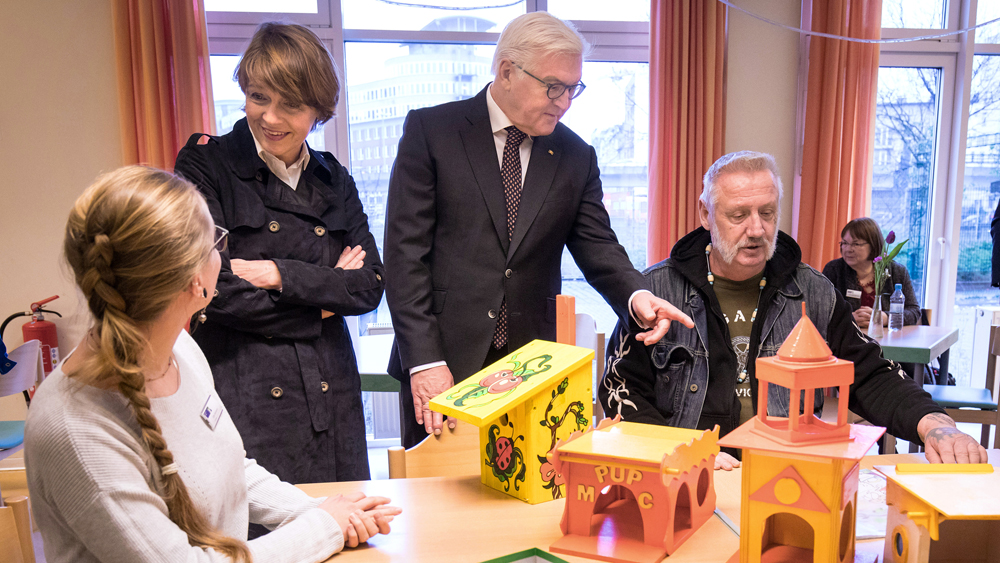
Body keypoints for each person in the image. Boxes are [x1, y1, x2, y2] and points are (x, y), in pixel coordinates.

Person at [25, 166, 400, 562]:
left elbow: (230, 470)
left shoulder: (181, 349)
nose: (224, 255)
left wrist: (322, 512)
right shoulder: (75, 431)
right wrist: (323, 527)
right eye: (217, 243)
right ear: (196, 281)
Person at [384, 11, 693, 449]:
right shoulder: (433, 132)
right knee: (440, 485)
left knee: (530, 486)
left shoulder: (575, 155)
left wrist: (637, 294)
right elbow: (404, 256)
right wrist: (425, 360)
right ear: (507, 71)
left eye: (573, 88)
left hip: (530, 366)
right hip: (443, 360)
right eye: (553, 86)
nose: (564, 102)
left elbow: (598, 246)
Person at [599, 151, 988, 468]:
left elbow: (869, 374)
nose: (757, 229)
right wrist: (682, 453)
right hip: (686, 477)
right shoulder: (655, 291)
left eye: (767, 213)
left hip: (787, 475)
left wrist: (935, 424)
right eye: (739, 215)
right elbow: (620, 389)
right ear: (706, 214)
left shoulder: (813, 292)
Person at [174, 23, 384, 486]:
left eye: (290, 105)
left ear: (319, 110)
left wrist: (276, 273)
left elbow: (369, 285)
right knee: (260, 522)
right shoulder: (206, 164)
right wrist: (325, 302)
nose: (269, 117)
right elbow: (215, 292)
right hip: (245, 388)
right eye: (258, 97)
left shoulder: (334, 178)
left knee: (346, 518)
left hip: (332, 387)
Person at [822, 217, 920, 330]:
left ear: (873, 245)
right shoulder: (834, 269)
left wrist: (886, 318)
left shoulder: (896, 271)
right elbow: (820, 310)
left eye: (856, 244)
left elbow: (914, 311)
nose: (848, 249)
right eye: (844, 243)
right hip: (847, 337)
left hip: (886, 338)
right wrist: (847, 318)